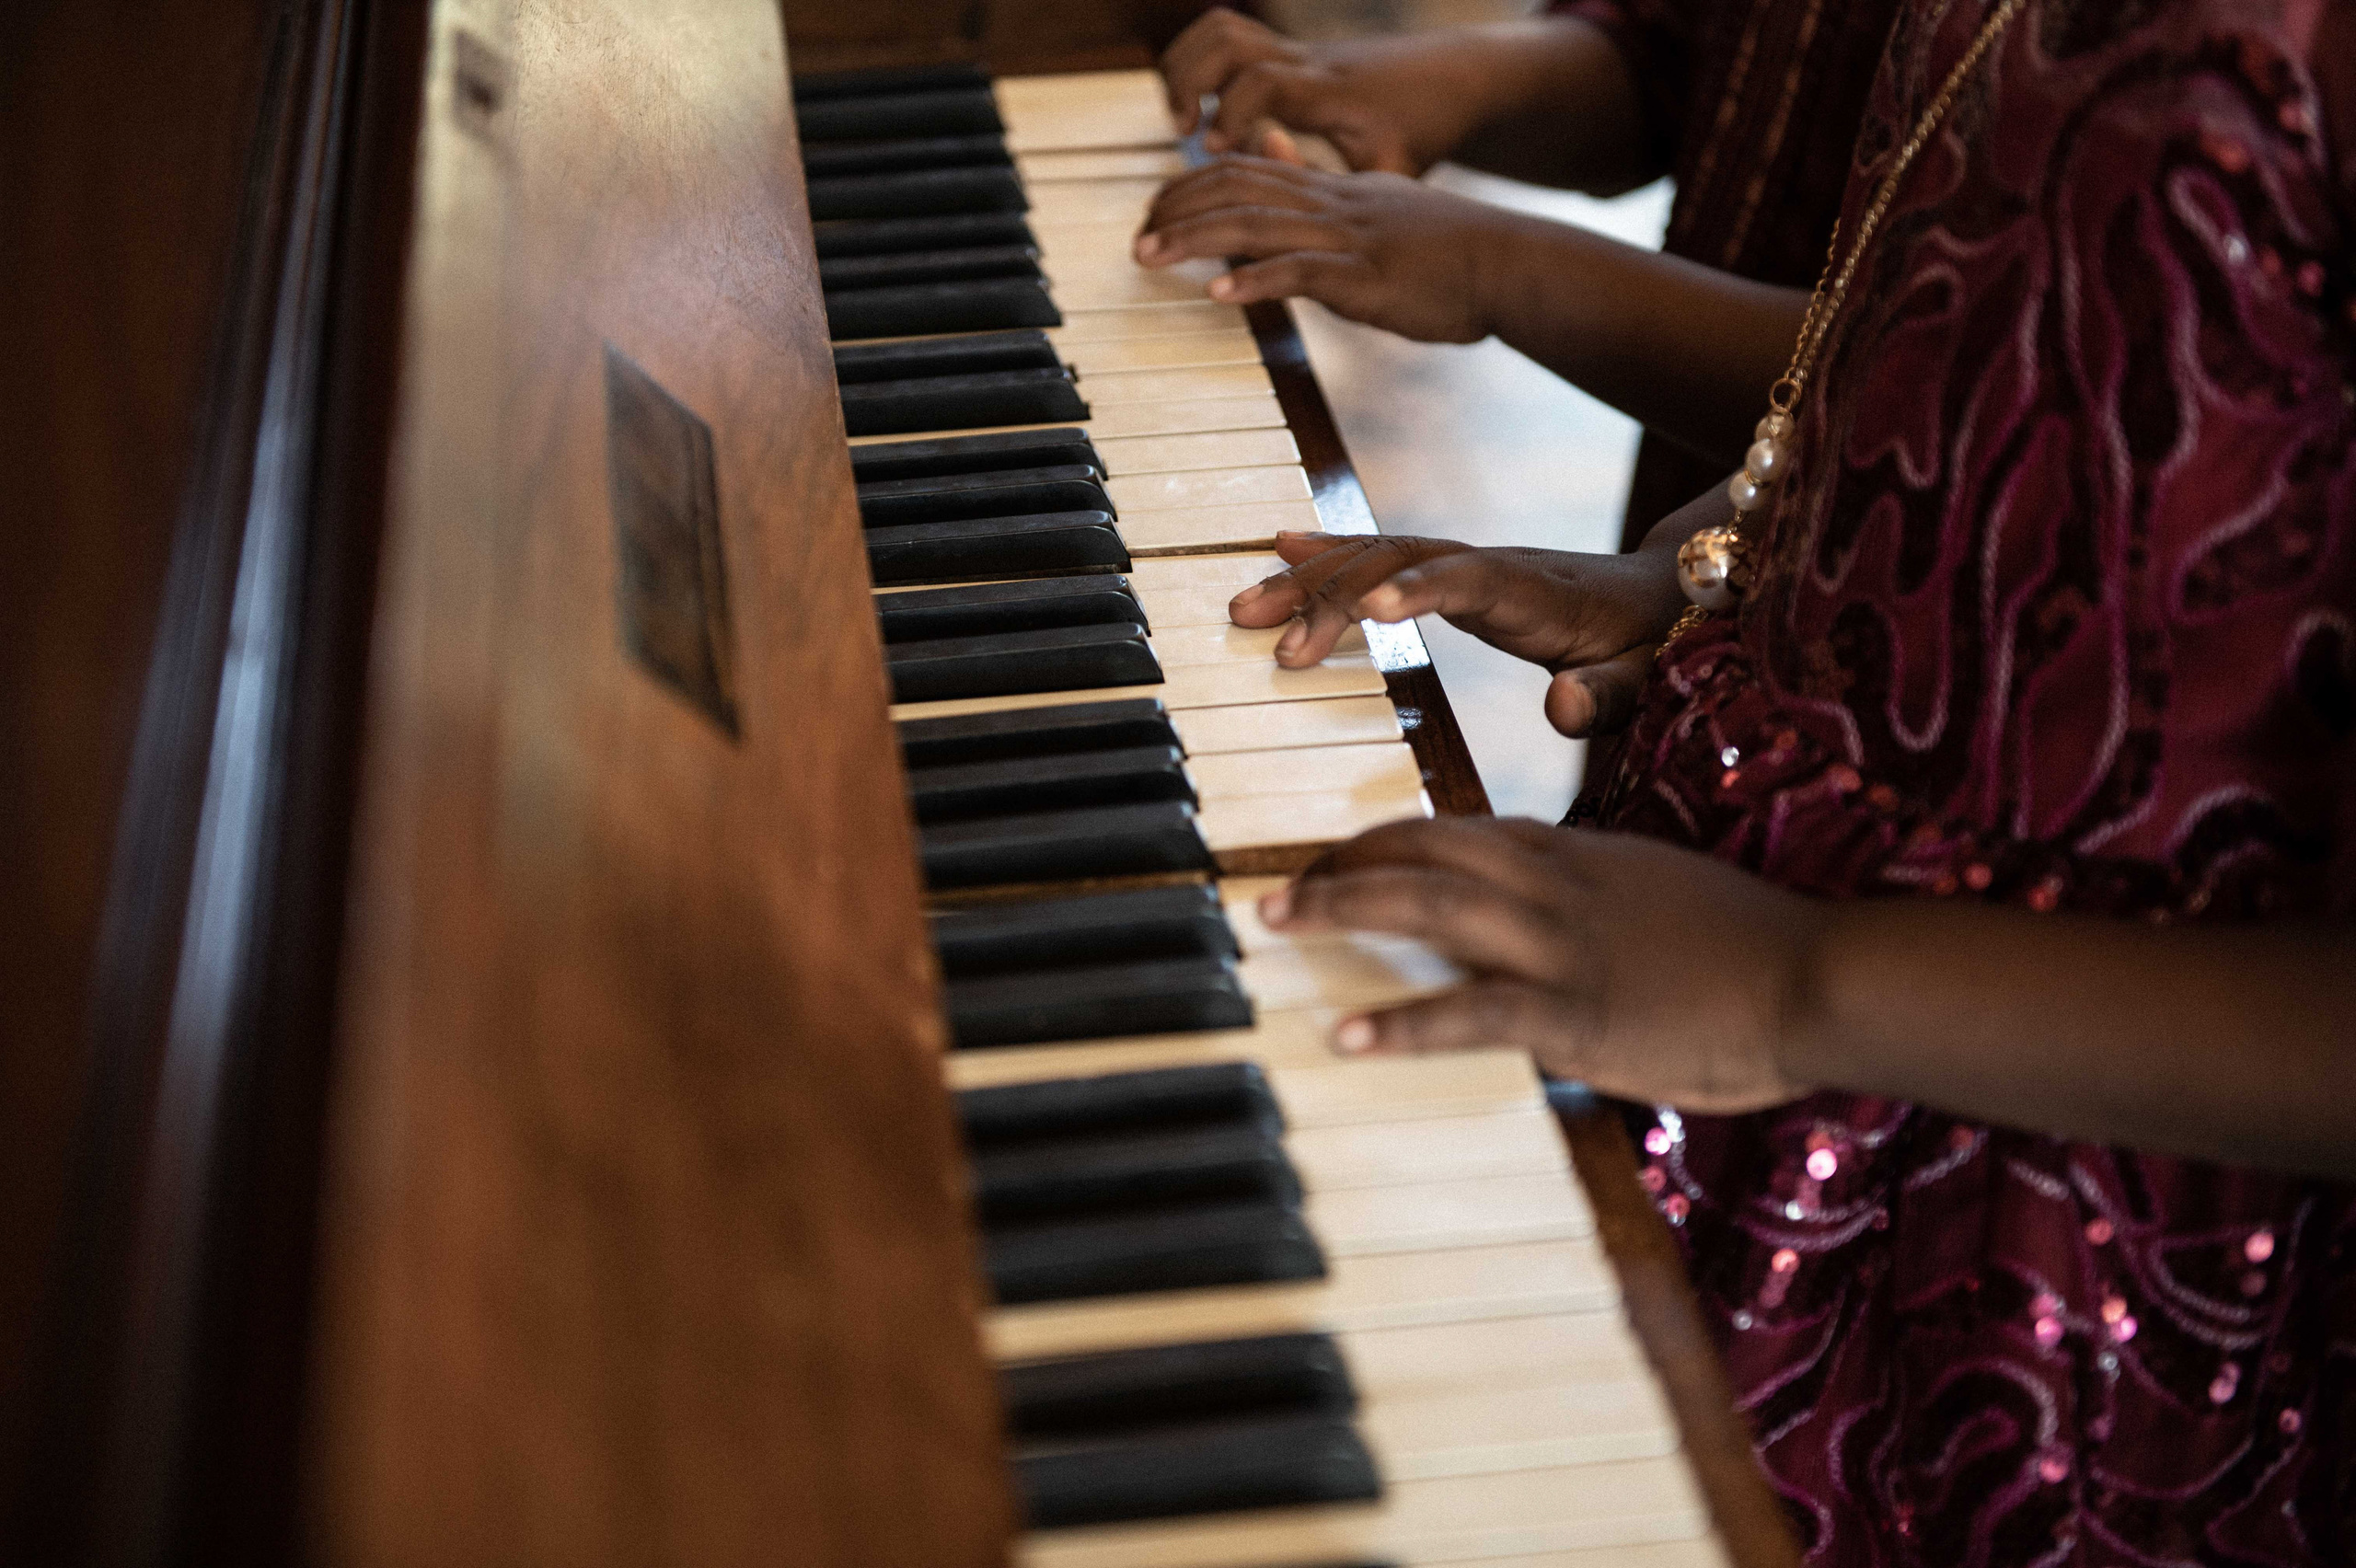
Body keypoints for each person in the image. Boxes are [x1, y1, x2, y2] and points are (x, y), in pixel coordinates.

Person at [1228, 0, 2356, 1561]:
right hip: (1717, 1012)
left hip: (2057, 1266)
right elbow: (1979, 351)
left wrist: (1795, 984)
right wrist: (1706, 568)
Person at [1140, 0, 1901, 546]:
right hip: (1697, 567)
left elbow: (1924, 389)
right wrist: (1449, 83)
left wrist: (1493, 267)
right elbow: (1701, 60)